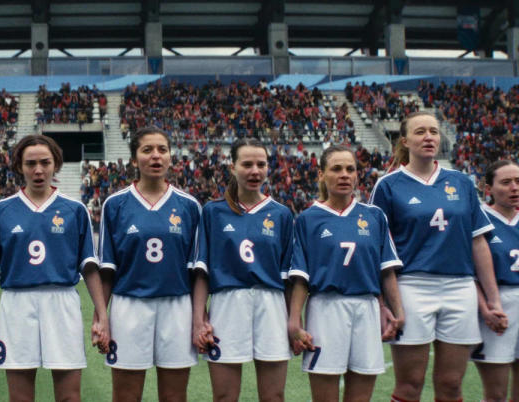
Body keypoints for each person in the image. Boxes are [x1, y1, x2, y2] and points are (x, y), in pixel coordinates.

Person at [371, 111, 505, 402]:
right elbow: (379, 250)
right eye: (420, 132)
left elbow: (478, 242)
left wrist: (492, 299)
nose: (429, 137)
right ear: (404, 140)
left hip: (460, 288)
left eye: (433, 131)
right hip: (412, 287)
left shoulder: (461, 182)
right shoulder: (388, 185)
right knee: (409, 385)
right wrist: (383, 302)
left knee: (451, 385)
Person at [0, 134, 109, 402]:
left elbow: (89, 267)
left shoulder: (75, 210)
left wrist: (102, 315)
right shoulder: (2, 210)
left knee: (69, 397)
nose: (38, 170)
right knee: (20, 398)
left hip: (62, 301)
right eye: (31, 163)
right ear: (20, 166)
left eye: (45, 162)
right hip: (16, 303)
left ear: (56, 165)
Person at [286, 145, 405, 401]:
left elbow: (386, 272)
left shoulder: (374, 216)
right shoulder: (308, 219)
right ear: (321, 175)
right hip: (326, 308)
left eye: (350, 169)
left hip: (367, 309)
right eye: (336, 169)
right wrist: (294, 320)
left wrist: (398, 312)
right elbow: (300, 278)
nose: (344, 175)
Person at [98, 127, 200, 402]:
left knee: (174, 397)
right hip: (129, 305)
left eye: (162, 150)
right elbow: (107, 268)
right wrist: (101, 317)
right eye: (147, 150)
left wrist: (200, 319)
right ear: (134, 160)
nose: (155, 156)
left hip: (177, 306)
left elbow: (197, 270)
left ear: (170, 158)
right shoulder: (115, 204)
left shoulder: (190, 206)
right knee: (126, 397)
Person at [192, 139, 293, 401]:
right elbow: (202, 271)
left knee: (274, 397)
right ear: (232, 167)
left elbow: (288, 277)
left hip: (271, 304)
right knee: (225, 397)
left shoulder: (281, 214)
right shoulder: (213, 212)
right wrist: (199, 317)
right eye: (247, 164)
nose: (255, 171)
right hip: (227, 303)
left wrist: (294, 319)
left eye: (261, 164)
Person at [471, 160, 519, 402]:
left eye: (518, 182)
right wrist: (485, 309)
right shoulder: (479, 221)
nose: (514, 188)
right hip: (497, 307)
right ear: (488, 188)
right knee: (496, 395)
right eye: (506, 182)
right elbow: (469, 274)